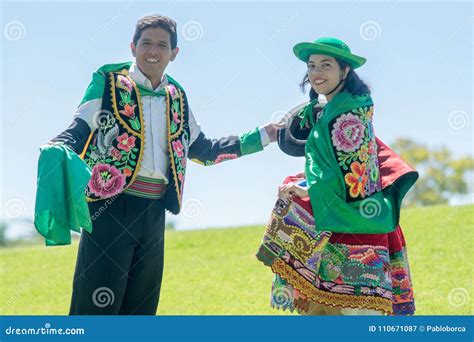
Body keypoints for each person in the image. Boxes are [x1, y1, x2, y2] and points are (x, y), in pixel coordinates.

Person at [40, 14, 282, 315]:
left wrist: (265, 136)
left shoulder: (176, 95)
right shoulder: (108, 81)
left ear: (174, 53)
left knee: (142, 308)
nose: (153, 51)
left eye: (162, 45)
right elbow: (79, 128)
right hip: (109, 209)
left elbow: (203, 150)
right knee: (95, 307)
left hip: (154, 213)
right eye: (146, 43)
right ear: (133, 47)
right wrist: (57, 146)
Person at [256, 37, 418, 315]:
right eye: (312, 66)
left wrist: (309, 190)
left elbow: (356, 175)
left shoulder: (349, 115)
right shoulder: (335, 108)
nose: (317, 72)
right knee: (319, 310)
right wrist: (304, 182)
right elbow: (332, 167)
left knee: (344, 314)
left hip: (353, 219)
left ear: (345, 71)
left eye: (326, 65)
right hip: (338, 213)